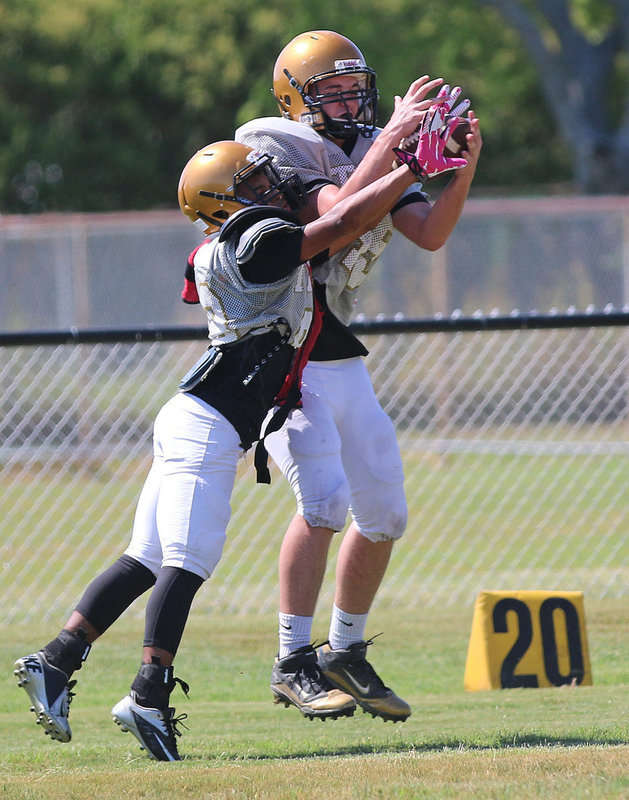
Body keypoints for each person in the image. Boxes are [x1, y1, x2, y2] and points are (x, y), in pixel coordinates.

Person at [13, 136, 433, 760]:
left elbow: (332, 224)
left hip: (196, 415)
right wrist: (410, 168)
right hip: (207, 424)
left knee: (145, 560)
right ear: (225, 201)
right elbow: (342, 220)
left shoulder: (235, 240)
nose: (273, 188)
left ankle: (54, 662)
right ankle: (148, 695)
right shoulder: (253, 240)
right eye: (255, 184)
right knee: (188, 560)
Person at [236, 29, 482, 723]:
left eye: (354, 89)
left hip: (332, 339)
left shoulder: (368, 141)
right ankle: (291, 660)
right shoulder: (272, 146)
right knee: (322, 503)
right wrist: (401, 150)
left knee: (385, 513)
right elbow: (336, 217)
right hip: (274, 343)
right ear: (294, 99)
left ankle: (344, 649)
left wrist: (459, 167)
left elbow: (428, 233)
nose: (348, 102)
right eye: (330, 91)